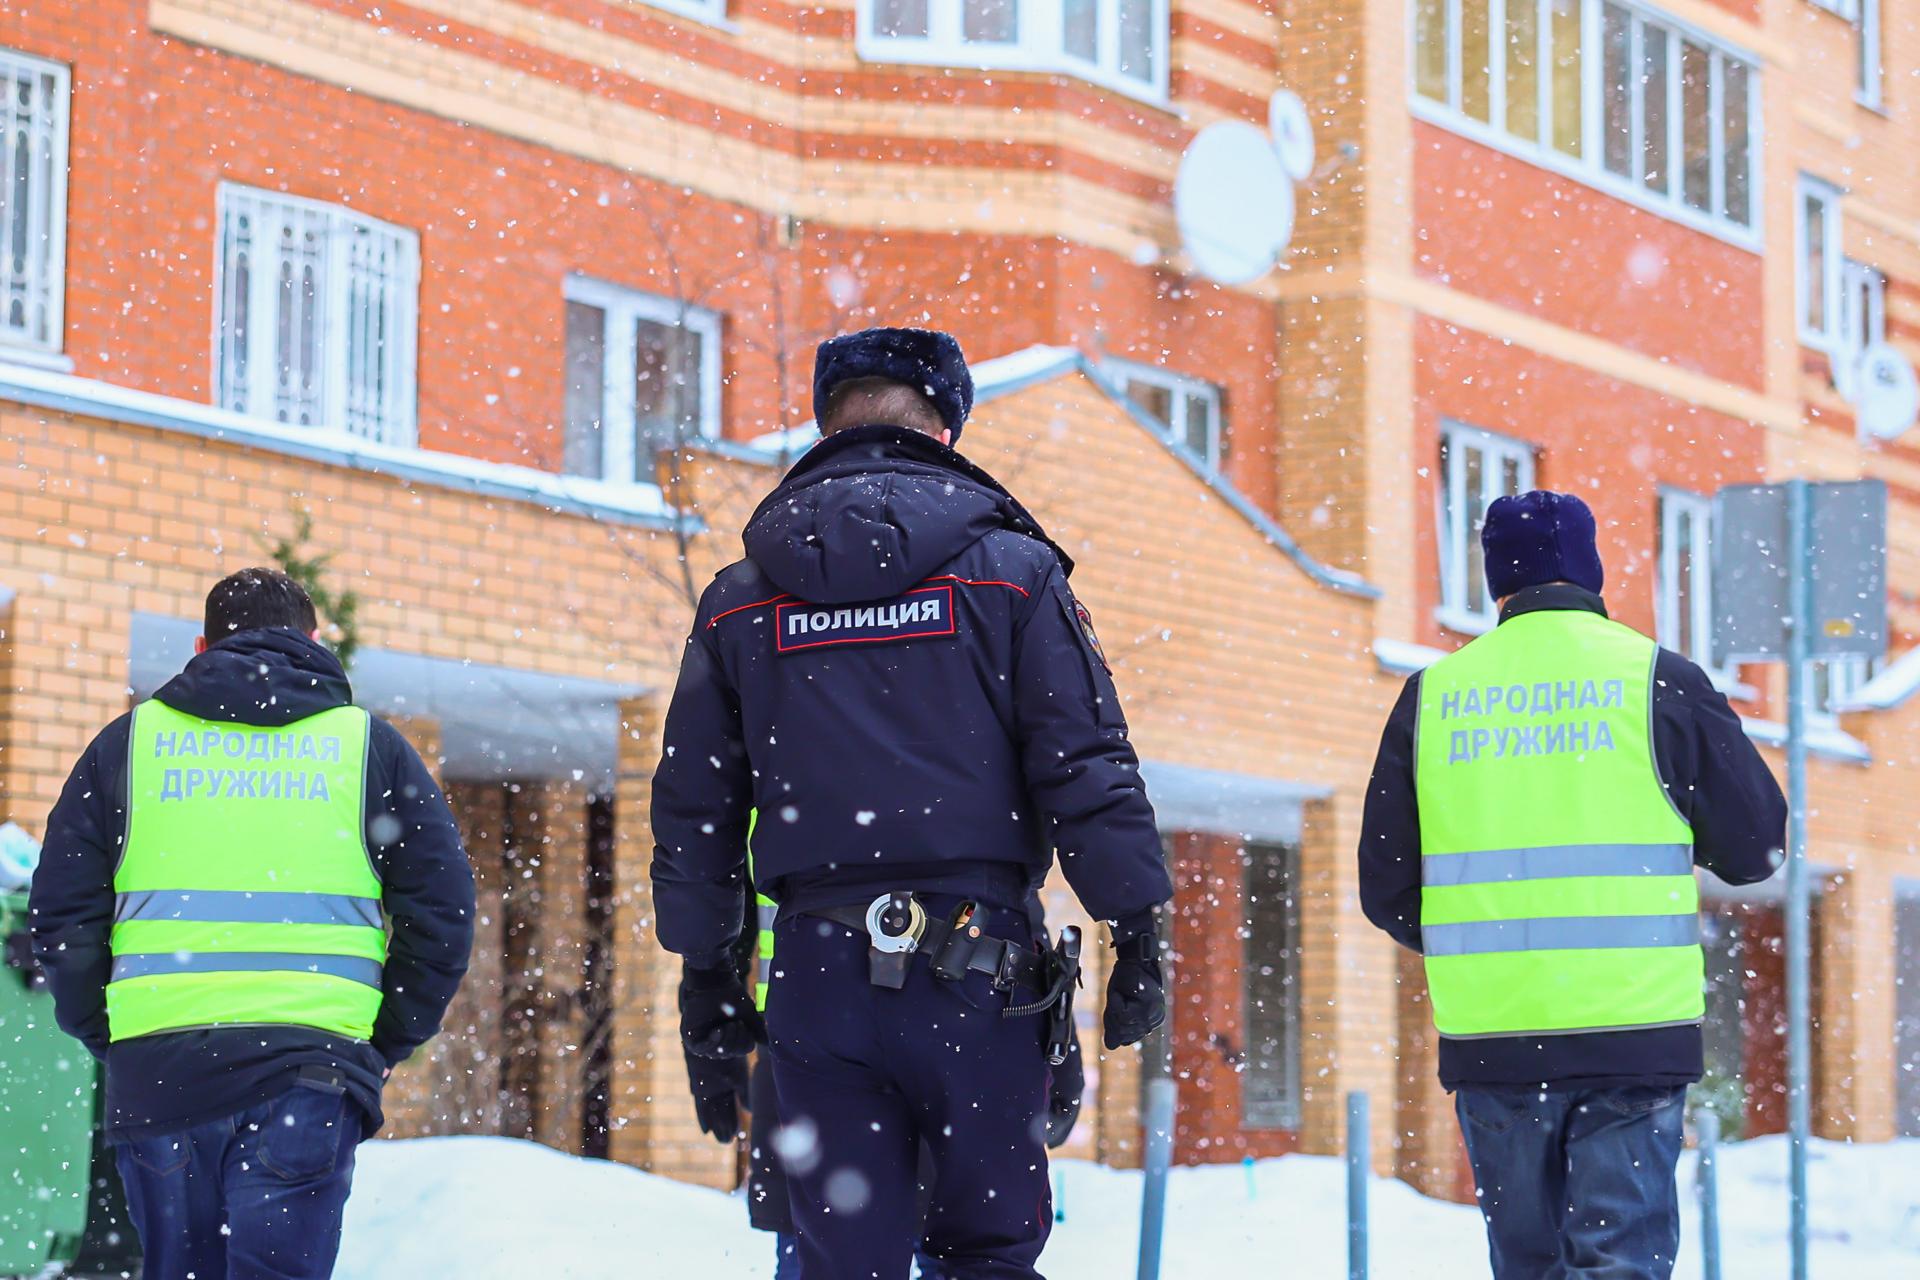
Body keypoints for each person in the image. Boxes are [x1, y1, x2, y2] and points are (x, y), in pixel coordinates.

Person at [652, 327, 1172, 1280]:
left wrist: (707, 976)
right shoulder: (1010, 575)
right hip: (979, 974)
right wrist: (1135, 925)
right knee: (987, 1253)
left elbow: (696, 808)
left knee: (841, 1258)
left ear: (826, 422)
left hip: (816, 974)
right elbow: (1085, 762)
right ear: (945, 422)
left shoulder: (739, 600)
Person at [1357, 491, 1786, 1280]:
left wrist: (1482, 943)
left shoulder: (1435, 697)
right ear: (1589, 569)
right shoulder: (1657, 678)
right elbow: (1757, 847)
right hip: (1635, 1032)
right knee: (1620, 1263)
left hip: (1496, 1043)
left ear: (1496, 582)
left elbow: (1386, 888)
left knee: (1530, 1265)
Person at [30, 568, 476, 1280]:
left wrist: (109, 1033)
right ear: (314, 639)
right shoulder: (368, 750)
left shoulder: (128, 746)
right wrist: (387, 1039)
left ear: (203, 645)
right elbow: (444, 914)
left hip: (162, 1075)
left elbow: (61, 917)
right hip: (310, 1075)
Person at [681, 871, 1088, 1279]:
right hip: (838, 1066)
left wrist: (1056, 1036)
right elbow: (718, 902)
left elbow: (1014, 916)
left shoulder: (786, 817)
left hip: (857, 1061)